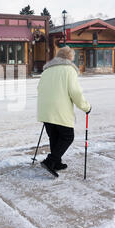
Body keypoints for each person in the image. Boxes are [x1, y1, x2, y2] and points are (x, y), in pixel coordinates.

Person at [37, 46, 91, 178]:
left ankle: (56, 162)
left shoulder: (47, 70)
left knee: (54, 136)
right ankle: (50, 161)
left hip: (45, 109)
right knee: (67, 136)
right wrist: (86, 107)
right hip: (60, 110)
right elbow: (75, 92)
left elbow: (39, 88)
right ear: (70, 58)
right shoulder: (69, 70)